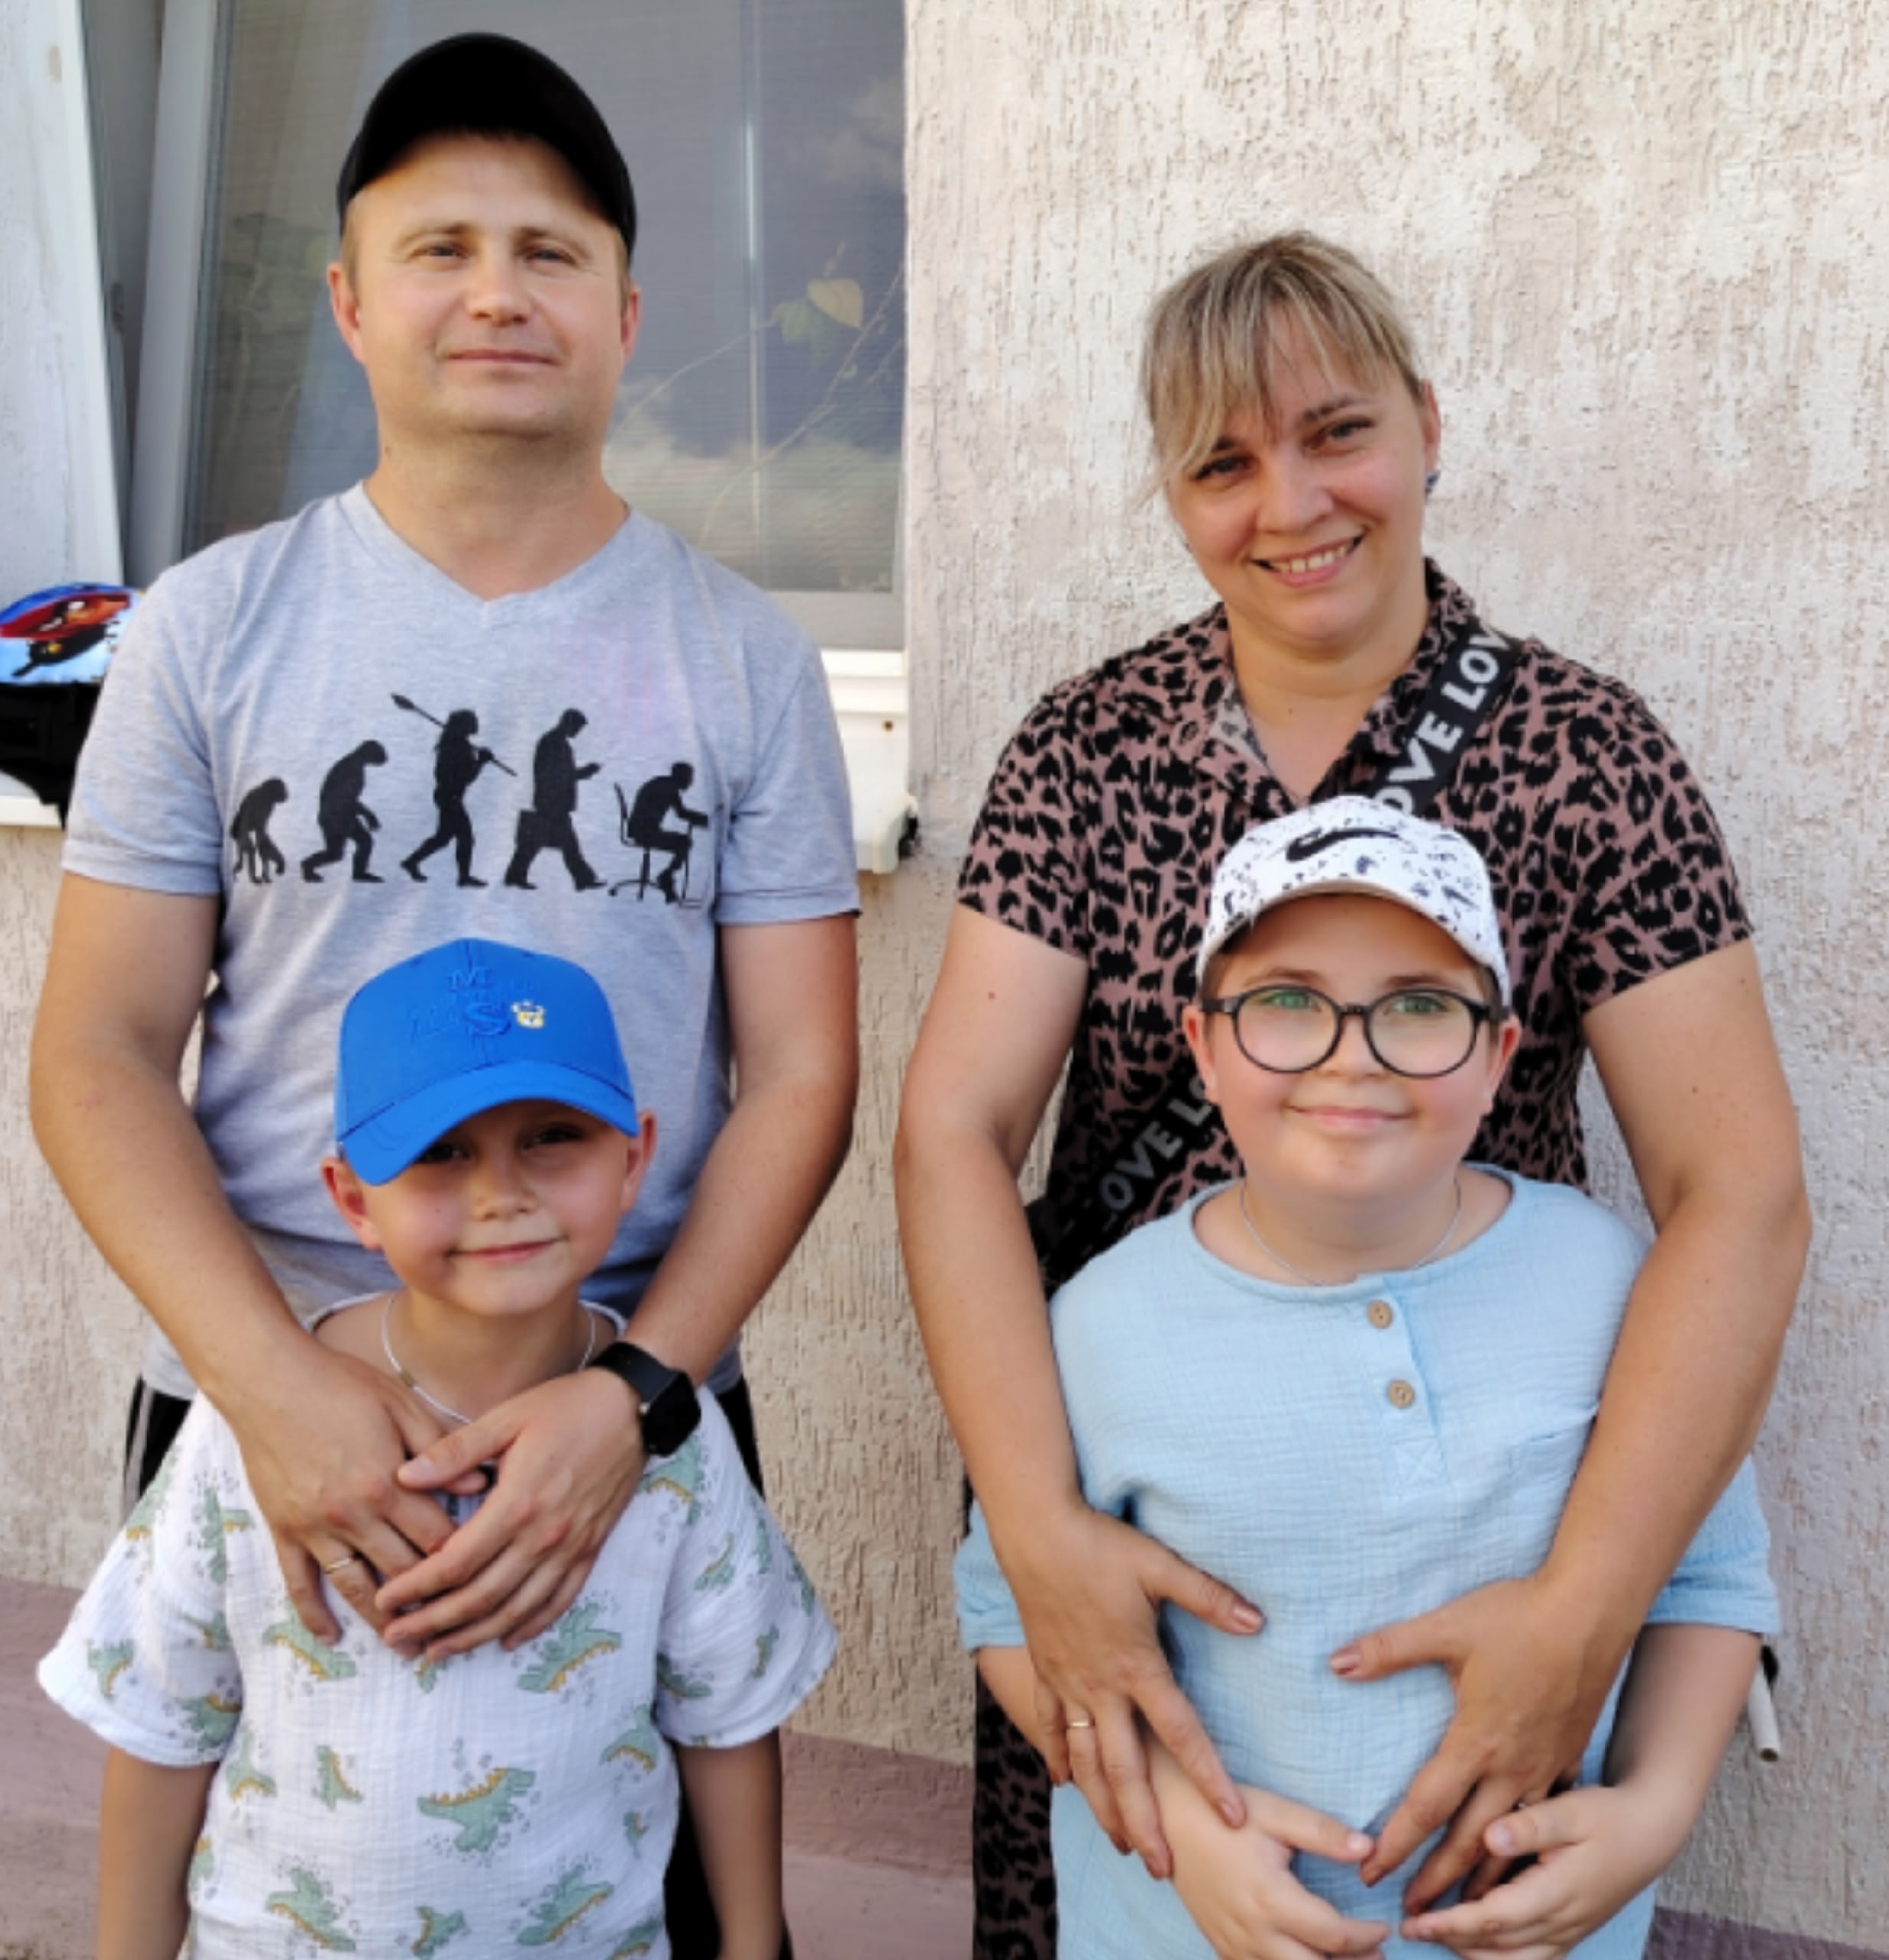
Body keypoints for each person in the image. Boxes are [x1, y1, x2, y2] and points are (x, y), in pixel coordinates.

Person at [29, 33, 857, 1958]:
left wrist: (635, 1400)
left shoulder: (741, 656)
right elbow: (94, 1054)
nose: (496, 292)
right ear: (348, 302)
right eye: (440, 249)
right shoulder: (206, 630)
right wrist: (276, 1387)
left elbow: (805, 1069)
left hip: (626, 1414)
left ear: (626, 315)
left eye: (549, 252)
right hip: (260, 1414)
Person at [894, 233, 1808, 1956]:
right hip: (1130, 1475)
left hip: (1473, 1506)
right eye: (1223, 462)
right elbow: (951, 1134)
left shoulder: (1587, 751)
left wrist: (1583, 1611)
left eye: (1337, 432)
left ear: (1426, 425)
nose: (1291, 503)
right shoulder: (1088, 749)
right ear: (1174, 494)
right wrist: (1044, 1532)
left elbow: (1739, 1192)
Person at [954, 804, 1777, 1960]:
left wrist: (1657, 1807)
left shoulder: (1610, 1283)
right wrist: (1181, 1827)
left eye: (1420, 1006)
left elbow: (1708, 1573)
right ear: (1203, 1047)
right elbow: (1011, 1614)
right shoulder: (1097, 1324)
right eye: (1287, 1001)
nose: (1353, 1054)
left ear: (1498, 1057)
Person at [41, 938, 835, 1960]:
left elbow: (726, 1722)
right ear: (351, 1198)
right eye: (443, 1152)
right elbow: (165, 1724)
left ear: (636, 1157)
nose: (502, 1193)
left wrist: (751, 1944)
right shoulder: (251, 1436)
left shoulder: (667, 1437)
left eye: (553, 1136)